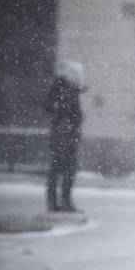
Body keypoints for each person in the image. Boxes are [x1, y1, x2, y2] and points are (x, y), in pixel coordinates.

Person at [44, 61, 85, 213]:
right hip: (65, 136)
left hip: (64, 135)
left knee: (60, 169)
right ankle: (62, 202)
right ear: (73, 76)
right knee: (66, 169)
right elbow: (65, 112)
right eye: (79, 75)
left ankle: (56, 202)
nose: (81, 78)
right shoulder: (65, 90)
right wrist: (72, 122)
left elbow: (52, 108)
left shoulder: (63, 89)